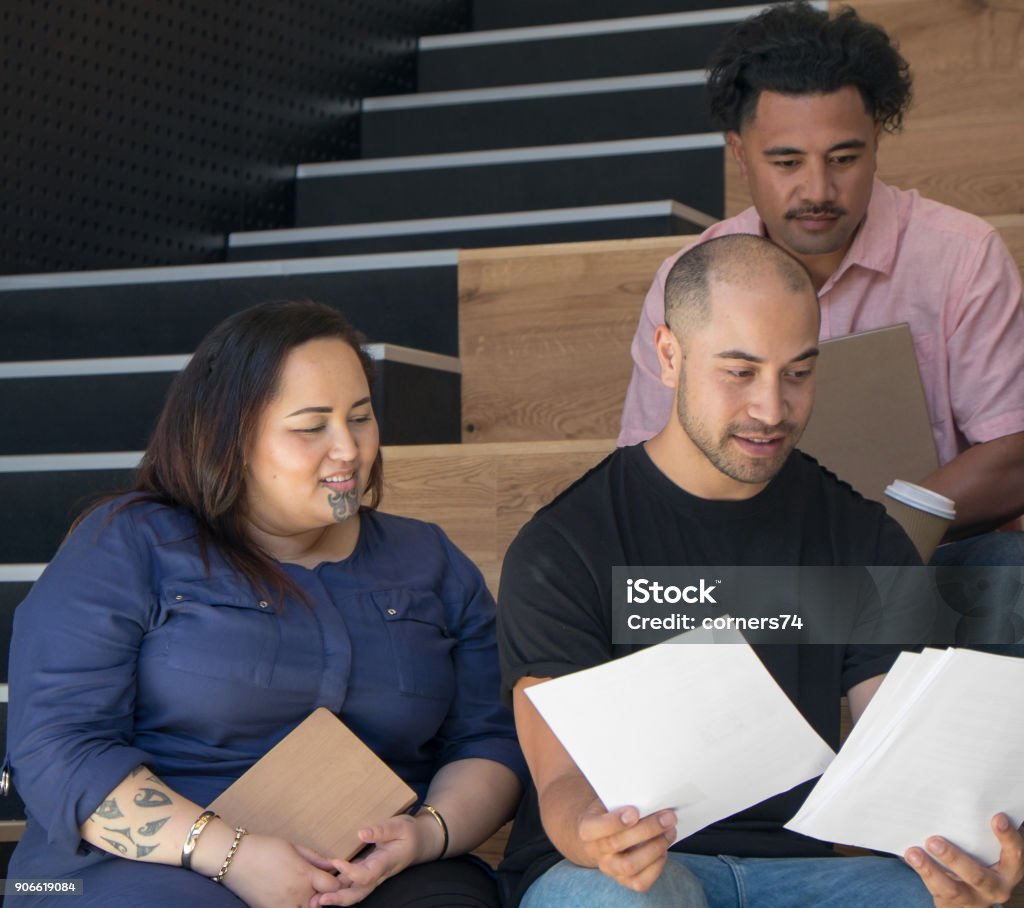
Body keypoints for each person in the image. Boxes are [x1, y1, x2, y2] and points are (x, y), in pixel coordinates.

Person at [497, 235, 1024, 907]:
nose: (772, 410)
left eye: (798, 373)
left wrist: (969, 861)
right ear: (669, 355)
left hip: (803, 876)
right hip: (621, 873)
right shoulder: (566, 544)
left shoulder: (859, 537)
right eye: (739, 372)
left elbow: (891, 743)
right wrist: (592, 832)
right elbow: (561, 777)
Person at [6, 300, 525, 907]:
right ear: (229, 436)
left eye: (360, 417)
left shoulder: (428, 559)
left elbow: (488, 739)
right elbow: (59, 747)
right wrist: (230, 854)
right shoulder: (126, 542)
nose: (348, 450)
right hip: (152, 863)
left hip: (377, 869)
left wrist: (422, 835)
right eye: (311, 427)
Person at [618, 0, 1024, 569]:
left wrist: (874, 538)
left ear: (876, 139)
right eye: (787, 163)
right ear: (740, 153)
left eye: (843, 158)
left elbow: (1014, 453)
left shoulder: (959, 255)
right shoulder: (687, 278)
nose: (818, 190)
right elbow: (645, 469)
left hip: (926, 559)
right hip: (748, 564)